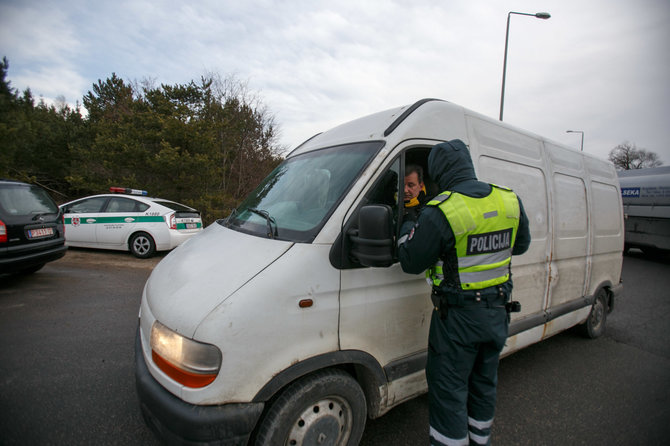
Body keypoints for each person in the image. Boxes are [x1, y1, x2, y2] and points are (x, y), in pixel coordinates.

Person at [397, 140, 531, 446]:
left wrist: (406, 225)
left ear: (439, 172)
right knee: (483, 385)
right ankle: (479, 440)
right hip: (498, 314)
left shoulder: (442, 209)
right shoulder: (509, 200)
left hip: (458, 320)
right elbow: (520, 245)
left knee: (449, 390)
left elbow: (410, 261)